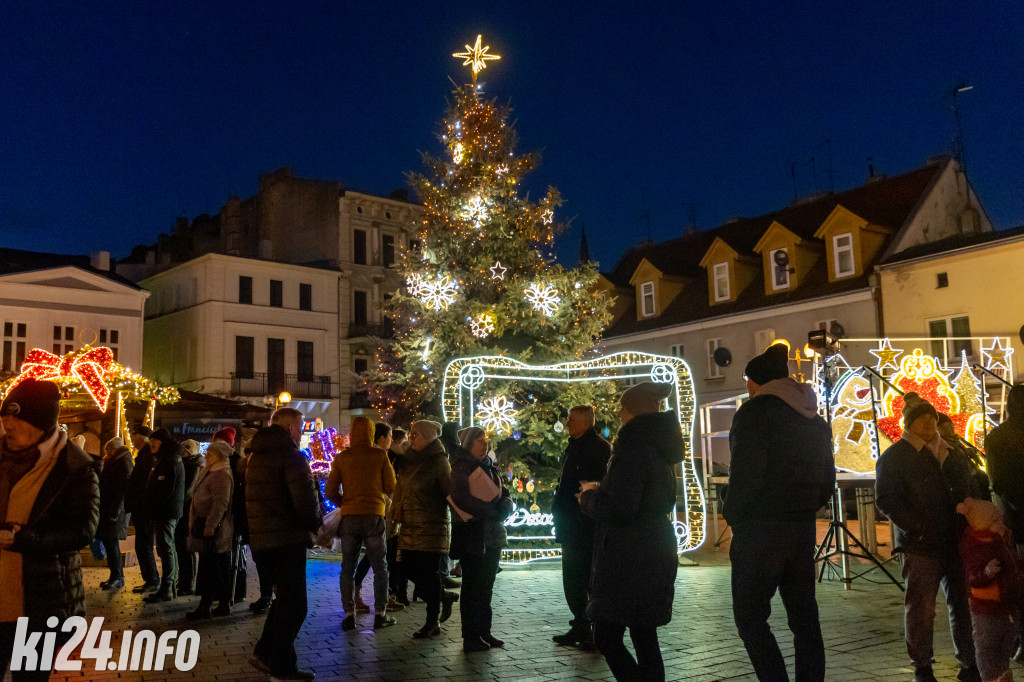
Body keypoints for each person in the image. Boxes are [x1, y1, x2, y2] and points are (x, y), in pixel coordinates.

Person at [725, 343, 835, 682]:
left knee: (750, 619)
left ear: (757, 381)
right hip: (800, 529)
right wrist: (803, 507)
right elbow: (826, 479)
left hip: (760, 529)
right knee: (805, 620)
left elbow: (745, 474)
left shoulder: (755, 413)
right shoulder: (814, 419)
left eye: (747, 379)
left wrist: (734, 514)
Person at [578, 382, 682, 682]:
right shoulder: (658, 447)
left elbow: (621, 507)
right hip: (653, 546)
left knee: (607, 635)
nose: (620, 414)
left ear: (635, 412)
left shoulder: (633, 449)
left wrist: (588, 498)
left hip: (629, 556)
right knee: (644, 634)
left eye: (623, 408)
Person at [0, 379, 100, 681]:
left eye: (16, 423)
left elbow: (84, 530)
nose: (8, 429)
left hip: (42, 599)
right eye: (5, 421)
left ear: (41, 424)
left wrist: (23, 538)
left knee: (29, 677)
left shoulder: (74, 467)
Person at [877, 398, 982, 682]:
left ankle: (969, 663)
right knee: (922, 610)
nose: (929, 422)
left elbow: (969, 487)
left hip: (956, 542)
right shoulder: (896, 456)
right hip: (921, 545)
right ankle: (922, 667)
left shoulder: (951, 452)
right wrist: (917, 527)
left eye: (932, 418)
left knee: (963, 606)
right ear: (909, 422)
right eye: (922, 418)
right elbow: (886, 498)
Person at [246, 407, 322, 681]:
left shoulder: (256, 455)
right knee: (295, 605)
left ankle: (265, 653)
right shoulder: (291, 456)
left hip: (263, 539)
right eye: (300, 426)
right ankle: (281, 668)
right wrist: (318, 524)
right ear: (290, 427)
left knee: (283, 602)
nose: (301, 431)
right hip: (286, 538)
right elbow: (305, 502)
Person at [326, 417, 397, 631]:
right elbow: (391, 485)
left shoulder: (342, 457)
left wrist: (346, 503)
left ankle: (349, 615)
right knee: (380, 567)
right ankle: (380, 614)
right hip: (374, 515)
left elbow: (329, 491)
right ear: (371, 432)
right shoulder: (380, 455)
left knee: (347, 567)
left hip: (349, 517)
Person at [551, 405, 611, 650]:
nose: (567, 424)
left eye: (571, 420)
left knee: (582, 577)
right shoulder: (576, 445)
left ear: (585, 423)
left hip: (583, 523)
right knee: (574, 577)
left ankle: (590, 629)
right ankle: (581, 625)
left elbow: (601, 483)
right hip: (572, 521)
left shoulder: (597, 448)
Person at [449, 426, 513, 652]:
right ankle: (470, 636)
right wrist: (489, 510)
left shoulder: (490, 465)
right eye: (479, 440)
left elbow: (504, 491)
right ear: (468, 444)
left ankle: (484, 631)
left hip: (493, 534)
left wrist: (506, 505)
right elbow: (461, 497)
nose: (484, 444)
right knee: (472, 587)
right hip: (473, 535)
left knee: (487, 586)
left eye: (485, 440)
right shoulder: (460, 467)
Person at [393, 419, 451, 639]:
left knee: (428, 573)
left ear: (428, 437)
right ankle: (441, 596)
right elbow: (400, 489)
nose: (411, 437)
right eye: (411, 433)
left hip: (431, 526)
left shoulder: (438, 461)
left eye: (416, 434)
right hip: (409, 525)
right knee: (406, 570)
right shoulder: (408, 460)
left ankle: (432, 621)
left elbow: (448, 492)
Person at [956, 497, 1019, 682]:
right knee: (987, 647)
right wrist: (985, 573)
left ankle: (1002, 673)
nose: (1001, 525)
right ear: (983, 525)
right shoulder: (974, 547)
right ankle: (990, 677)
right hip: (986, 608)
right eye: (995, 521)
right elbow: (971, 578)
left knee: (1003, 643)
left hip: (1005, 606)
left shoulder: (996, 542)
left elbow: (1009, 567)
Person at [984, 384, 1024, 656]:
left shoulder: (997, 437)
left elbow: (998, 481)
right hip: (1018, 519)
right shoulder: (1001, 438)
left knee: (1018, 583)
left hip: (1016, 519)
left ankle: (1020, 639)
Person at [351, 423, 405, 614]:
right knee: (380, 557)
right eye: (390, 436)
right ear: (381, 438)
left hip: (358, 512)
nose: (391, 440)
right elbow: (390, 485)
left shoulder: (354, 455)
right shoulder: (380, 456)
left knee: (365, 557)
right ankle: (381, 602)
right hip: (380, 510)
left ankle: (354, 599)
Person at [186, 439, 234, 619]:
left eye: (211, 454)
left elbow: (220, 503)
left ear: (219, 456)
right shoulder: (211, 470)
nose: (207, 455)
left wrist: (211, 524)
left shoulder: (221, 474)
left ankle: (210, 604)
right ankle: (217, 603)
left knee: (212, 567)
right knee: (213, 566)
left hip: (213, 530)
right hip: (205, 525)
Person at [142, 428, 186, 603]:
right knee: (164, 548)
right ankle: (168, 587)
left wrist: (153, 505)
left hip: (166, 512)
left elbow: (165, 489)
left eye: (155, 440)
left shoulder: (170, 461)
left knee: (166, 548)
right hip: (164, 511)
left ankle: (167, 587)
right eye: (150, 440)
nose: (151, 443)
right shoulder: (165, 459)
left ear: (163, 442)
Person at [125, 425, 160, 592]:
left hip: (143, 508)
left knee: (144, 544)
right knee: (142, 544)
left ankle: (152, 579)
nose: (132, 440)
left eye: (135, 436)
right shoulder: (144, 456)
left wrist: (138, 500)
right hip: (141, 507)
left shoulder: (147, 457)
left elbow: (143, 484)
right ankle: (150, 579)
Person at [97, 436, 134, 590]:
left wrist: (115, 512)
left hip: (115, 510)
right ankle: (115, 576)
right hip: (109, 508)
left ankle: (117, 577)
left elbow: (122, 490)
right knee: (109, 542)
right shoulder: (114, 462)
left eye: (109, 450)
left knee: (111, 543)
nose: (108, 452)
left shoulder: (123, 463)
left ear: (115, 449)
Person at [175, 438, 205, 596]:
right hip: (183, 509)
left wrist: (178, 503)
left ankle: (188, 582)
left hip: (187, 511)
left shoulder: (193, 466)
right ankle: (184, 579)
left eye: (183, 449)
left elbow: (188, 489)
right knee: (182, 546)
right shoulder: (188, 464)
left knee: (185, 547)